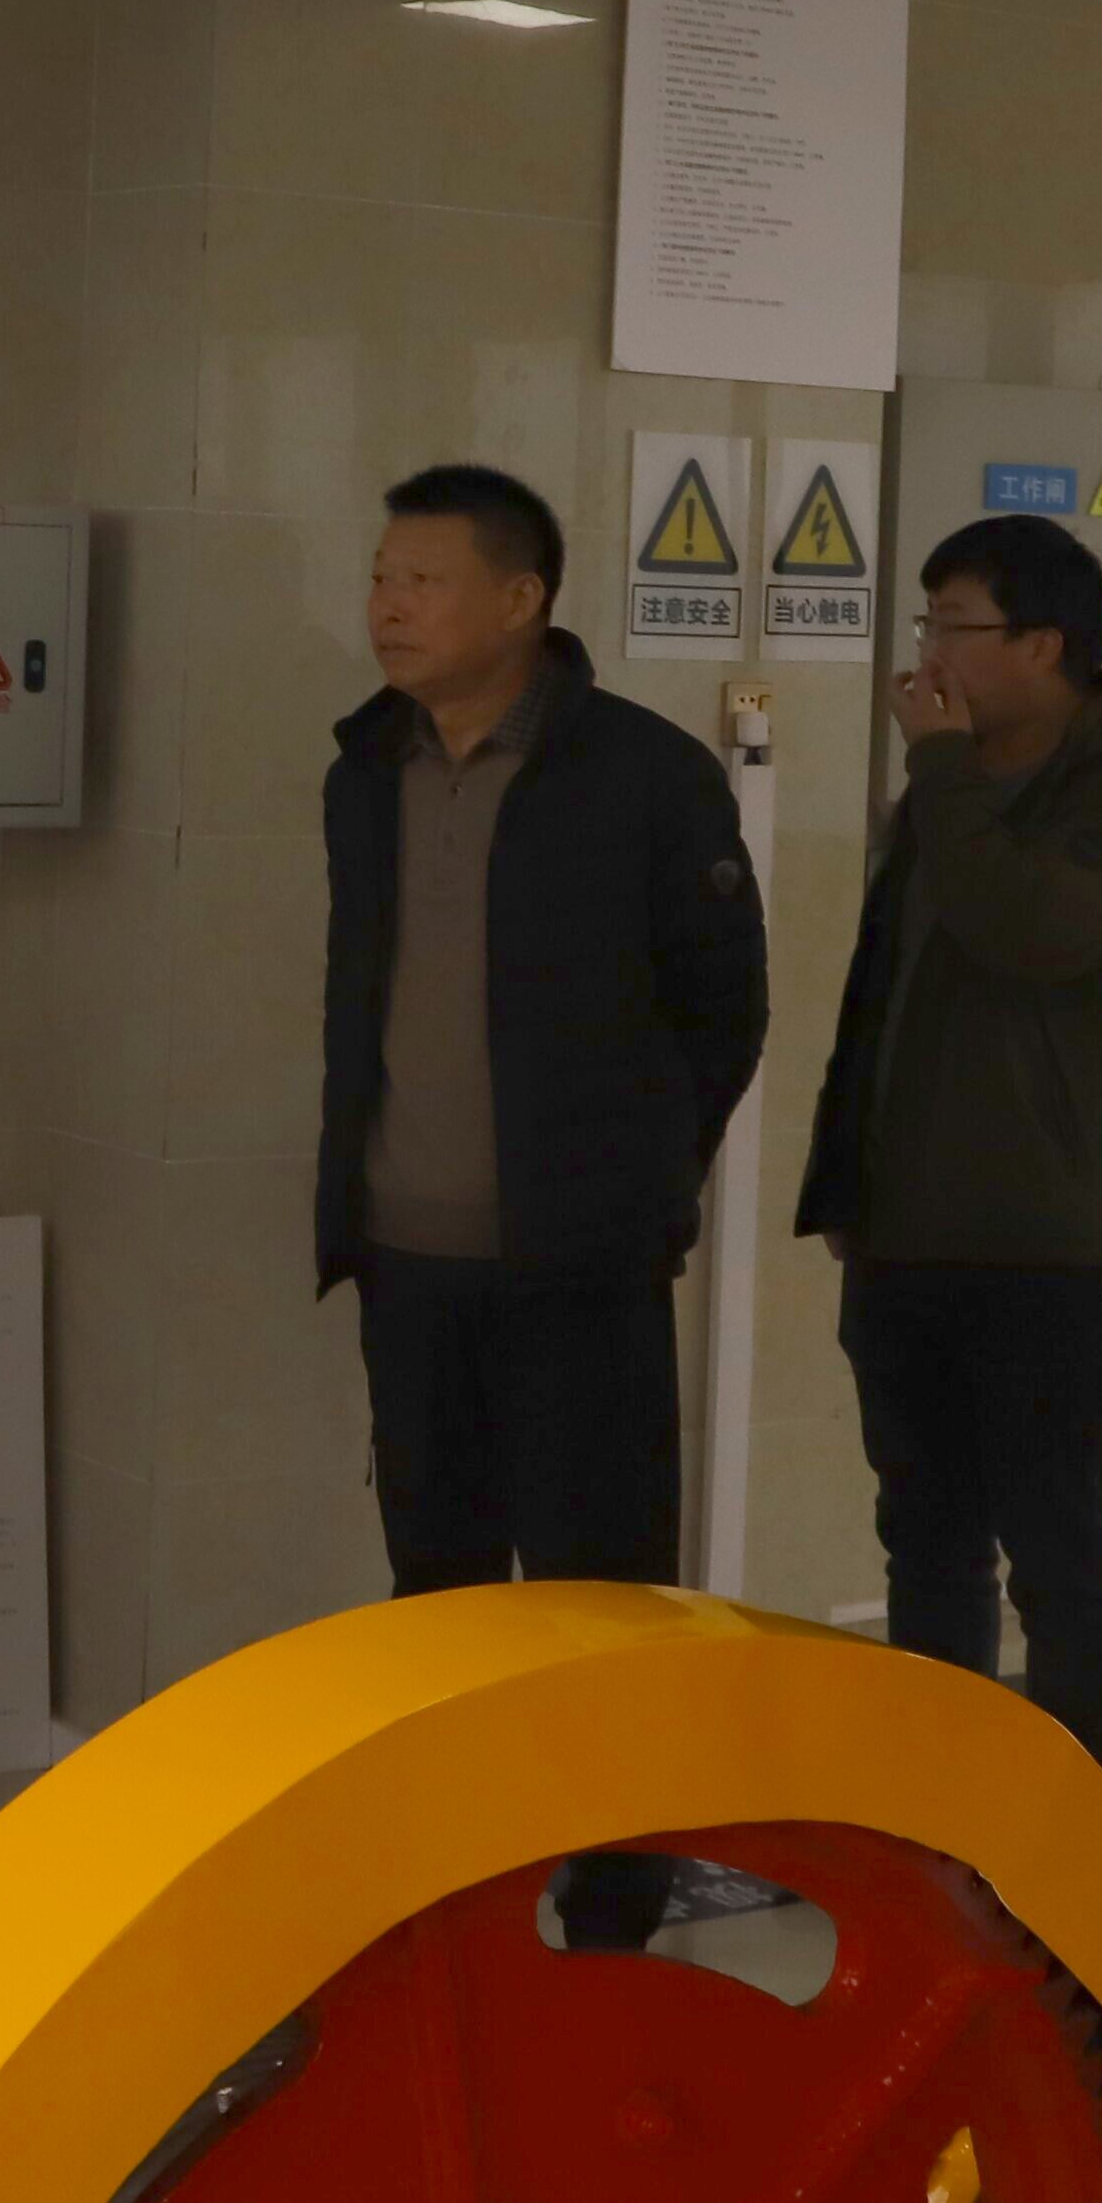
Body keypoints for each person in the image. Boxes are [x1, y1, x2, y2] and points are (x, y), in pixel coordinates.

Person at [316, 463, 770, 1607]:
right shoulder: (365, 770)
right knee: (437, 1594)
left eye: (424, 580)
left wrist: (635, 1182)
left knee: (598, 1600)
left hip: (581, 1269)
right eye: (381, 578)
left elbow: (724, 1010)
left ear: (521, 600)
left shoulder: (648, 775)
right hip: (406, 1261)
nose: (388, 607)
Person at [793, 511, 1102, 1771]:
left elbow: (1029, 926)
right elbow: (886, 987)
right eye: (926, 622)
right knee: (927, 1547)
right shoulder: (948, 784)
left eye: (952, 625)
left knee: (1060, 1557)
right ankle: (940, 1812)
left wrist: (942, 769)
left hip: (1054, 1240)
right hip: (907, 1233)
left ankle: (1068, 1840)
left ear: (1042, 643)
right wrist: (847, 1178)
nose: (927, 653)